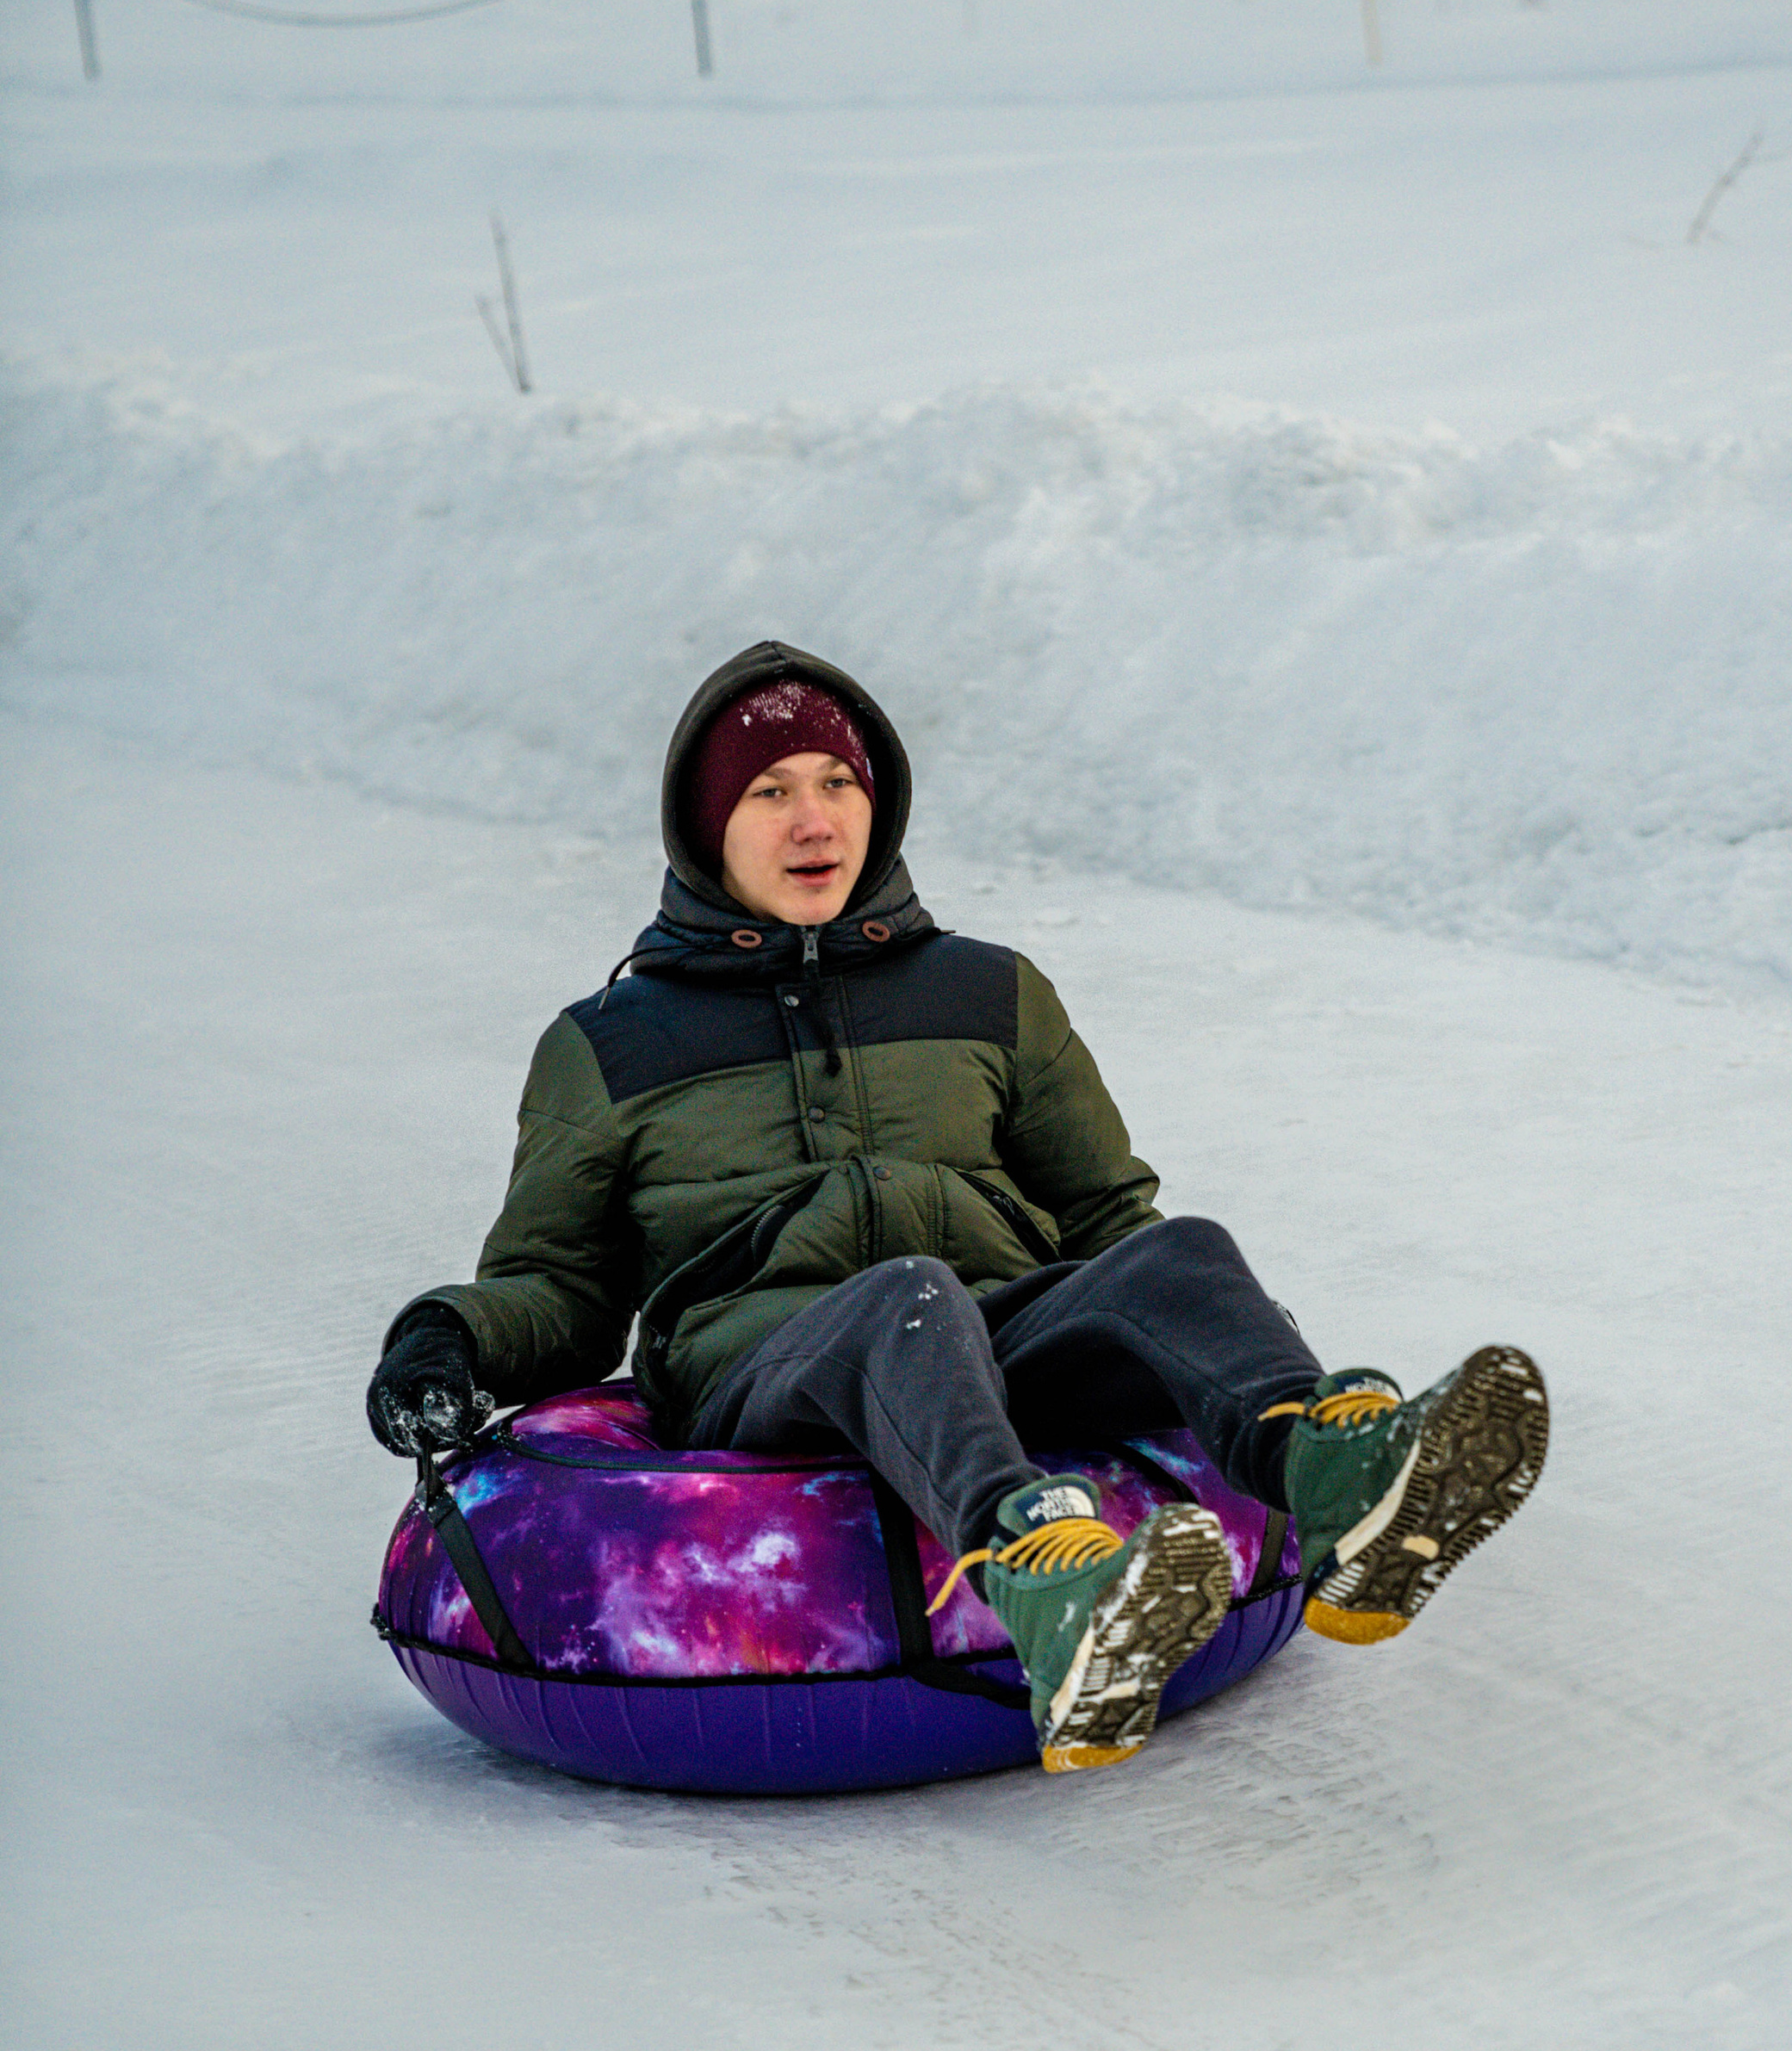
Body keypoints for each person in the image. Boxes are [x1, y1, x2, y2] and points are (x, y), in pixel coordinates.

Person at [367, 644, 1547, 1773]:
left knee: (1176, 1250)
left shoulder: (991, 993)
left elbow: (1105, 1215)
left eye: (839, 782)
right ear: (706, 827)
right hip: (769, 1373)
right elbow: (563, 1290)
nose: (815, 819)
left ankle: (1344, 1489)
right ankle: (1054, 1593)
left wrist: (1210, 1335)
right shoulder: (611, 1046)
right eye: (771, 792)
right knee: (906, 1298)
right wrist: (451, 1338)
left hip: (988, 1339)